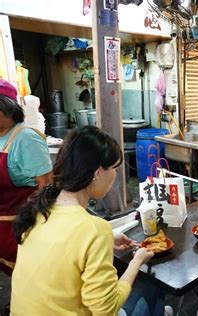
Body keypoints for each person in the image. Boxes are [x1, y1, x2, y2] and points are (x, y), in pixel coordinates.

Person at [11, 126, 167, 315]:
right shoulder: (93, 229)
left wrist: (108, 238)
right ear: (98, 172)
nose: (115, 175)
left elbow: (65, 251)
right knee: (152, 288)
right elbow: (106, 308)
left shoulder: (38, 210)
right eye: (115, 168)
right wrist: (137, 262)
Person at [0, 79, 52, 275]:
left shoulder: (26, 139)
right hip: (2, 229)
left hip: (21, 227)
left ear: (8, 110)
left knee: (30, 274)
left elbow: (46, 186)